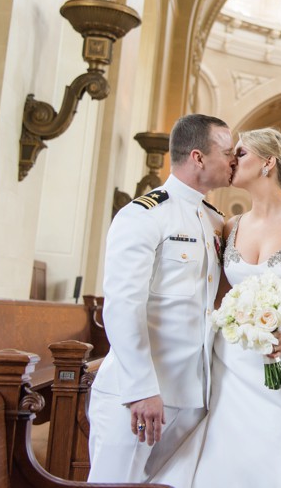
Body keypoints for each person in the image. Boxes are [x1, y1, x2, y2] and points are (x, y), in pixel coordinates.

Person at [154, 127, 281, 488]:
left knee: (274, 458)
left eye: (242, 153)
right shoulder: (230, 226)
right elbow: (219, 299)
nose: (232, 160)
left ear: (269, 162)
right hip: (232, 362)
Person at [87, 114, 236, 484]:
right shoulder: (144, 215)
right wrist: (141, 391)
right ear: (199, 157)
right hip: (137, 395)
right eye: (228, 152)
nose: (233, 161)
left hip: (191, 395)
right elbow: (122, 307)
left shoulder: (214, 220)